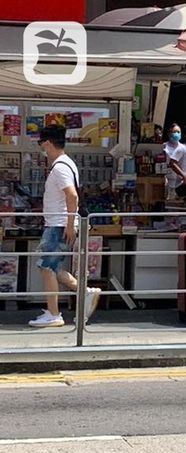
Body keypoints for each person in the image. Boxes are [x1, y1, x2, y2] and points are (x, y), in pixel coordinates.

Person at [30, 124, 99, 329]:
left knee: (45, 266)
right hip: (60, 223)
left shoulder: (60, 167)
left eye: (42, 143)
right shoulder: (66, 164)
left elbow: (72, 195)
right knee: (53, 267)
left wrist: (69, 224)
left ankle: (54, 314)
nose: (42, 147)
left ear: (49, 143)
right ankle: (85, 291)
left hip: (58, 224)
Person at [164, 122, 186, 202]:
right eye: (174, 132)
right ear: (169, 133)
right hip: (168, 179)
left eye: (178, 132)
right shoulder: (164, 147)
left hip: (180, 181)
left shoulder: (183, 147)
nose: (176, 134)